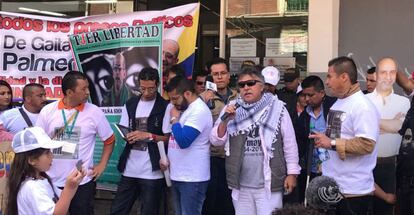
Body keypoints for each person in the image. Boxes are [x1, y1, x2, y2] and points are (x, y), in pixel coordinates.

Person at [210, 66, 300, 214]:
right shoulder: (232, 108)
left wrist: (292, 174)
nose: (246, 88)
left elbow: (289, 144)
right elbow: (216, 140)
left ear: (262, 86)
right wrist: (225, 121)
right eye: (241, 85)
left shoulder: (277, 108)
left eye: (251, 83)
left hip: (269, 184)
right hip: (241, 185)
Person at [36, 71, 115, 214]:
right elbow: (38, 142)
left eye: (88, 88)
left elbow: (109, 140)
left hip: (81, 182)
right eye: (83, 89)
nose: (88, 92)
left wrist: (102, 164)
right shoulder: (48, 111)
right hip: (51, 181)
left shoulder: (94, 112)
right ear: (69, 92)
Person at [309, 56, 380, 215]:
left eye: (329, 76)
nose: (326, 82)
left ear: (344, 77)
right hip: (333, 189)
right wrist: (325, 147)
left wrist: (331, 143)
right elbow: (336, 138)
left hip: (353, 193)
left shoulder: (362, 106)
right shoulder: (339, 102)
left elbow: (367, 144)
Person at [110, 68, 169, 215]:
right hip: (129, 168)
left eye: (151, 88)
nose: (147, 92)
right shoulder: (130, 103)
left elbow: (169, 139)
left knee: (150, 211)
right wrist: (127, 136)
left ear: (158, 85)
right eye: (143, 88)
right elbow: (124, 130)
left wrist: (149, 135)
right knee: (117, 210)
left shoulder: (165, 106)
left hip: (152, 171)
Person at [161, 76, 212, 215]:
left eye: (175, 98)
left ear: (188, 94)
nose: (172, 103)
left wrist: (174, 120)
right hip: (178, 174)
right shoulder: (184, 109)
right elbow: (173, 138)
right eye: (171, 99)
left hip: (192, 178)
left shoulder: (199, 110)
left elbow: (184, 141)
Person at [7, 126, 85, 215]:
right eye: (47, 153)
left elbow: (61, 199)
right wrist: (69, 188)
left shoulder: (41, 179)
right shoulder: (32, 187)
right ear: (32, 160)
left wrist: (73, 185)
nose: (52, 156)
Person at [366, 58, 410, 215]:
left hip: (393, 166)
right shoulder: (364, 101)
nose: (388, 76)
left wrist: (375, 124)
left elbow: (399, 127)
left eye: (392, 72)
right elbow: (363, 130)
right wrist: (389, 124)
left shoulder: (404, 102)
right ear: (376, 75)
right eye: (384, 72)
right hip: (365, 164)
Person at [200, 57, 237, 215]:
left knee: (230, 202)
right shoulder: (202, 99)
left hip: (234, 157)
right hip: (211, 157)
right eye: (216, 74)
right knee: (211, 201)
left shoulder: (240, 96)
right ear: (211, 77)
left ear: (229, 75)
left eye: (223, 73)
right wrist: (202, 102)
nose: (220, 77)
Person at [294, 75, 336, 203]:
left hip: (332, 168)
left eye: (310, 95)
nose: (307, 99)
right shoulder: (304, 116)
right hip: (310, 169)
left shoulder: (333, 107)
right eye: (304, 95)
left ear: (322, 93)